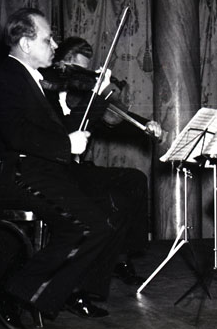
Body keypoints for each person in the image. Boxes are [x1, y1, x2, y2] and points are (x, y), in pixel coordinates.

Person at [0, 8, 128, 327]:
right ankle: (16, 291)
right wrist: (66, 145)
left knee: (102, 219)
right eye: (48, 39)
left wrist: (98, 97)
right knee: (90, 226)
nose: (55, 45)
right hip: (14, 176)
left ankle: (48, 293)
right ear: (26, 44)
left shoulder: (34, 81)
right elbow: (16, 134)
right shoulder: (3, 79)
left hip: (37, 173)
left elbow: (62, 129)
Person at [40, 36, 162, 286]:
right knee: (115, 201)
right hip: (56, 172)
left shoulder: (85, 95)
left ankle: (123, 256)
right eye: (77, 71)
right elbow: (64, 130)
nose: (82, 78)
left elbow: (115, 119)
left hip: (77, 170)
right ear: (61, 65)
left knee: (135, 180)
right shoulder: (45, 93)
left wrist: (145, 125)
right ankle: (90, 274)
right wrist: (94, 98)